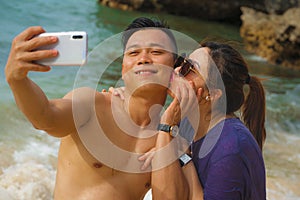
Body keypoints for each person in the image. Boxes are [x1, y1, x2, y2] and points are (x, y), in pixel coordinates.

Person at [5, 17, 188, 199]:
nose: (143, 59)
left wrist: (169, 137)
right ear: (124, 69)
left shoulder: (170, 135)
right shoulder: (92, 105)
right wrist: (17, 80)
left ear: (175, 67)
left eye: (156, 51)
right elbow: (45, 117)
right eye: (133, 53)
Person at [146, 41, 267, 199]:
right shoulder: (188, 123)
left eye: (189, 68)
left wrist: (182, 153)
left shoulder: (231, 148)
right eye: (182, 61)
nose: (176, 70)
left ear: (213, 94)